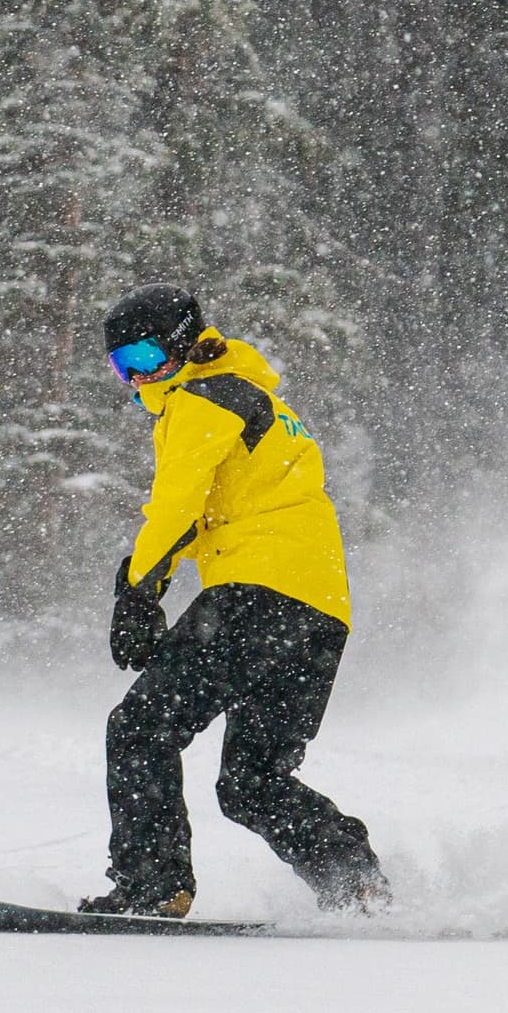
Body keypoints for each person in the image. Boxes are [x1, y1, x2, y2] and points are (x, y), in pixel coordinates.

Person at [85, 284, 388, 920]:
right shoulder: (252, 397)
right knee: (252, 783)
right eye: (123, 366)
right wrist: (150, 578)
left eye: (143, 355)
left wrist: (137, 590)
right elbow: (213, 513)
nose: (138, 375)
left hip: (257, 595)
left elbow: (175, 506)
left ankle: (152, 886)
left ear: (181, 341)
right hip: (320, 607)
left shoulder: (198, 398)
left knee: (139, 728)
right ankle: (355, 883)